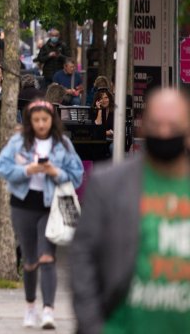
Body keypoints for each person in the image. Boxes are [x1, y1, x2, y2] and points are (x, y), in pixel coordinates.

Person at [72, 88, 190, 334]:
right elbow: (82, 256)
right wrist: (93, 325)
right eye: (157, 124)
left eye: (173, 125)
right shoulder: (108, 184)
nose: (164, 132)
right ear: (143, 126)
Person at [0, 99, 84, 329]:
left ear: (52, 120)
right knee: (30, 260)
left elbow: (77, 174)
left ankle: (48, 311)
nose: (41, 124)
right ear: (29, 122)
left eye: (45, 120)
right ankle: (30, 307)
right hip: (23, 205)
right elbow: (2, 168)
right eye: (36, 120)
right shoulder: (18, 142)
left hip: (50, 206)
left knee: (47, 258)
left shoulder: (62, 144)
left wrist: (56, 172)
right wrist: (27, 170)